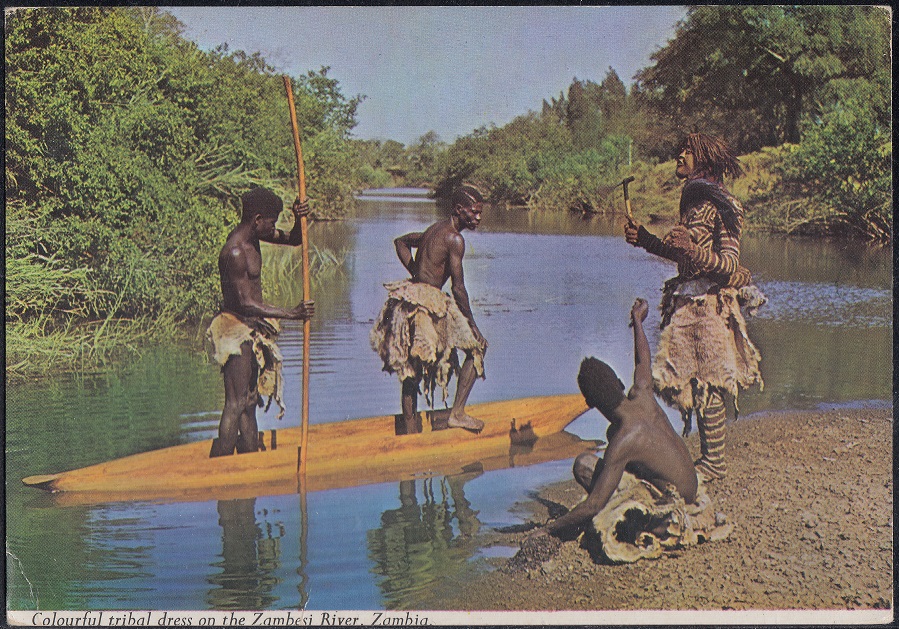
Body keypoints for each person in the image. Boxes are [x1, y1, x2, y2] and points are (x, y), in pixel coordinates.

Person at [516, 299, 730, 565]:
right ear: (619, 382)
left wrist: (549, 529)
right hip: (690, 486)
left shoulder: (624, 440)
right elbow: (643, 359)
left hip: (674, 510)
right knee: (614, 451)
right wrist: (638, 320)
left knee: (584, 464)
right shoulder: (643, 393)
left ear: (590, 403)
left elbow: (594, 504)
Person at [624, 132, 765, 481]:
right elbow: (683, 257)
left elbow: (729, 265)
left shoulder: (725, 205)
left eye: (688, 151)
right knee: (692, 382)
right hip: (689, 304)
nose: (680, 155)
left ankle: (714, 462)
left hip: (711, 304)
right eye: (681, 149)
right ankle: (707, 459)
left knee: (708, 382)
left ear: (705, 160)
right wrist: (646, 240)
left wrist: (691, 247)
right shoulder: (693, 204)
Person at [370, 184, 489, 435]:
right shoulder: (454, 239)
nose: (478, 217)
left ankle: (410, 432)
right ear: (459, 209)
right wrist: (473, 327)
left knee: (411, 367)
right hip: (426, 302)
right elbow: (458, 288)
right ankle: (457, 414)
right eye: (474, 212)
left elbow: (401, 242)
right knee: (477, 348)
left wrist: (416, 272)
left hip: (411, 296)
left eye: (480, 212)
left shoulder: (434, 230)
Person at [206, 187, 315, 457]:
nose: (274, 228)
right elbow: (244, 302)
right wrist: (291, 313)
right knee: (235, 402)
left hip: (251, 328)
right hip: (234, 329)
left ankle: (249, 458)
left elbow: (294, 240)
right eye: (271, 222)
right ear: (257, 220)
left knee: (250, 400)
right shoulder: (234, 252)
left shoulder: (256, 236)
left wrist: (299, 217)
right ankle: (221, 466)